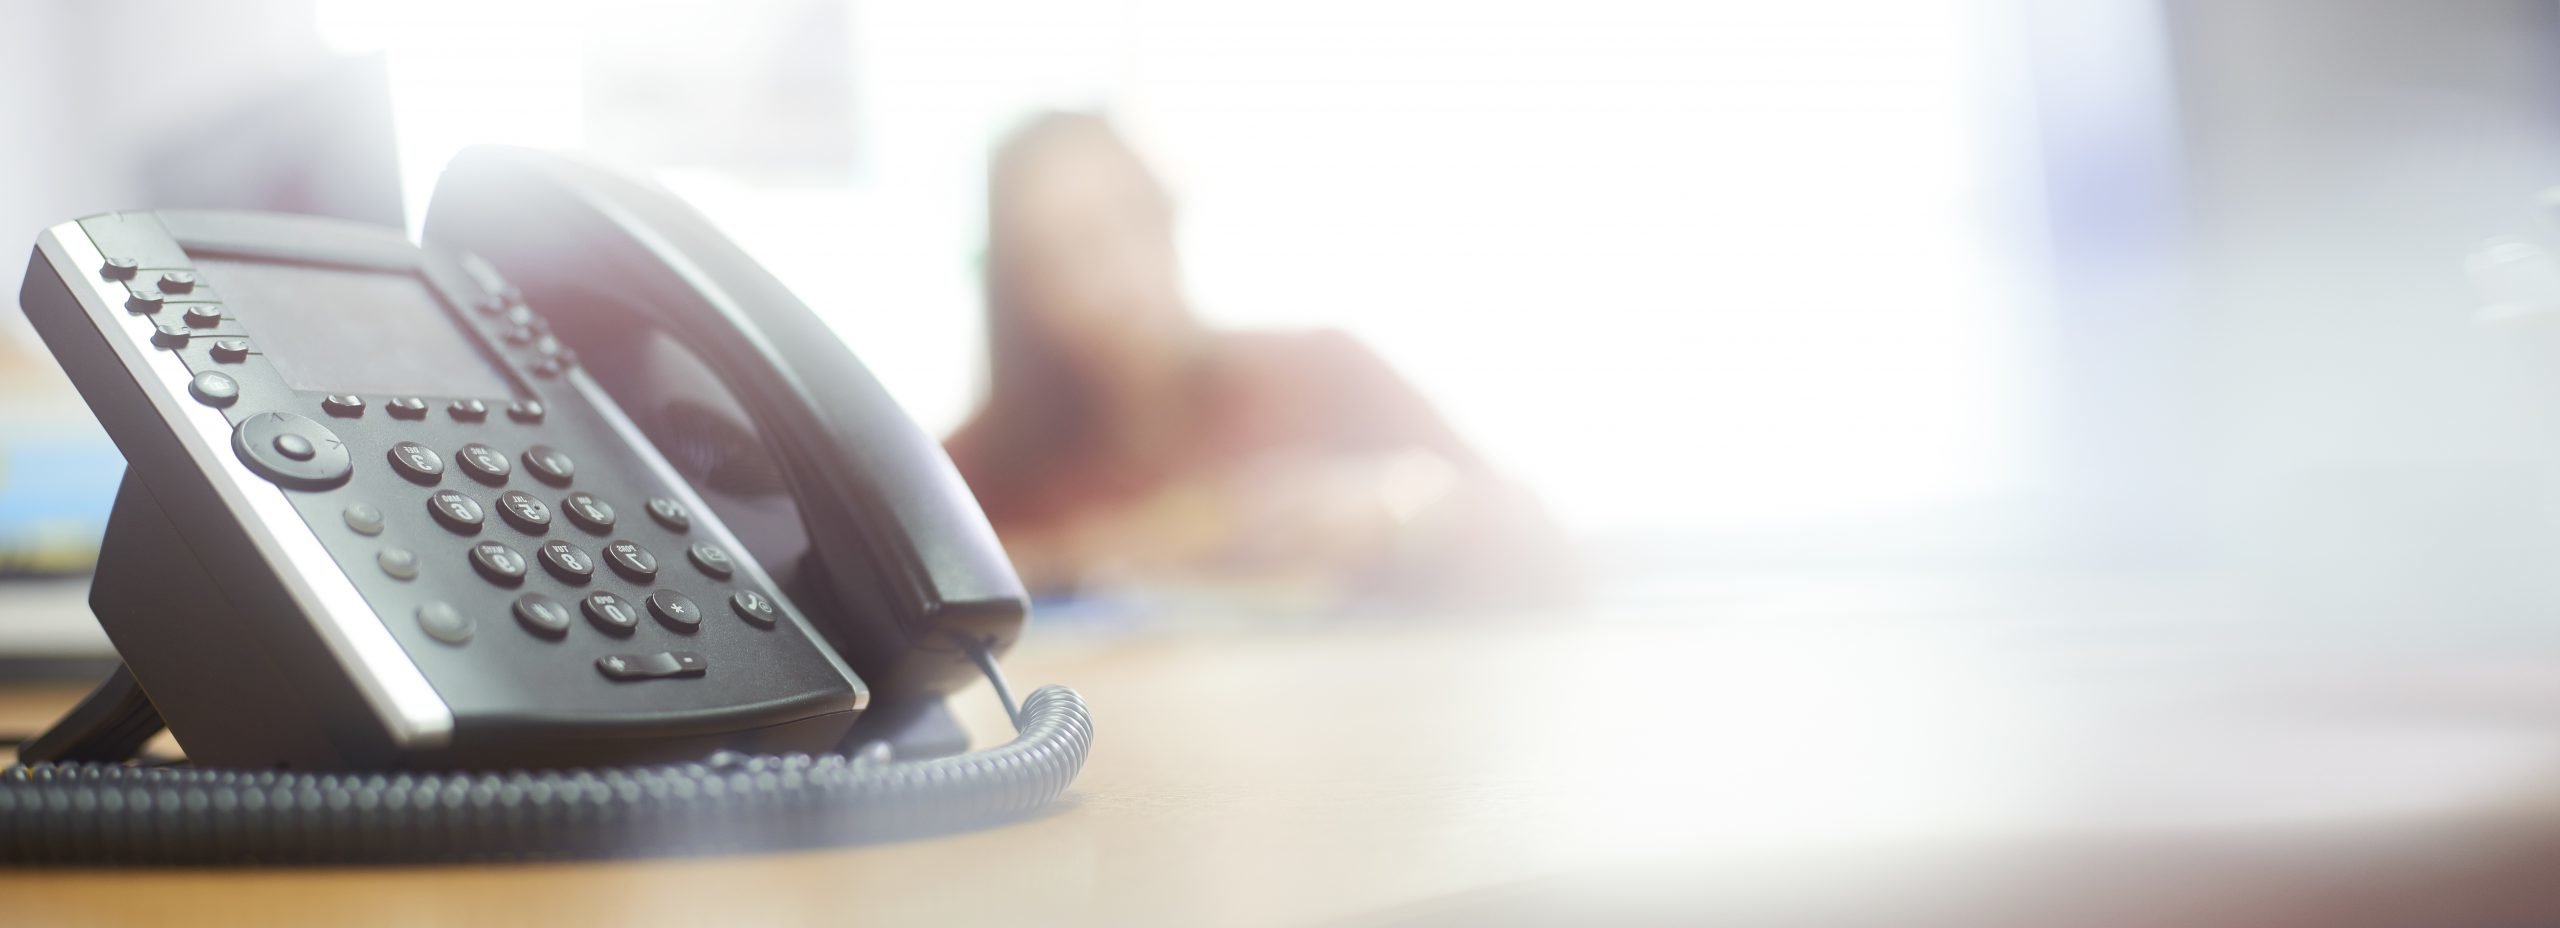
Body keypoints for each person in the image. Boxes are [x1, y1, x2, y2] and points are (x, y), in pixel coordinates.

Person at [946, 112, 1573, 608]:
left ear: (1169, 216)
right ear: (1019, 291)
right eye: (1065, 254)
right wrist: (1088, 556)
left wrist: (1399, 510)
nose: (1115, 274)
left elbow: (1537, 537)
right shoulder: (988, 463)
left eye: (1131, 220)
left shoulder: (1324, 372)